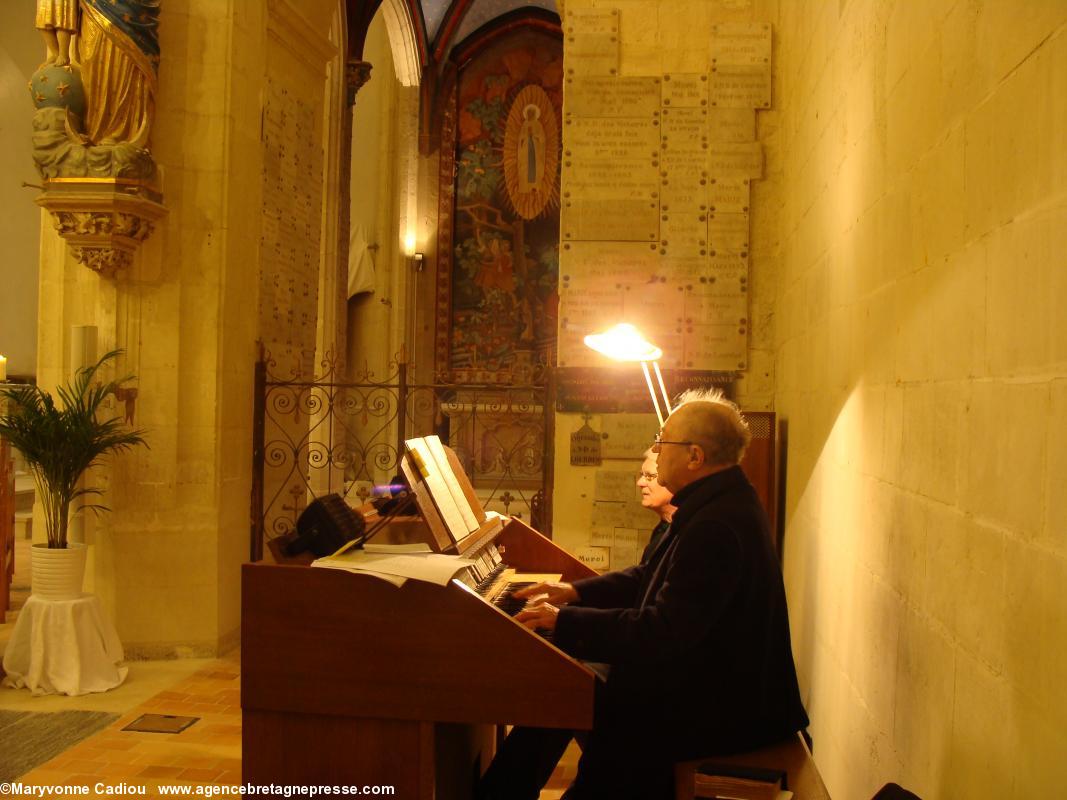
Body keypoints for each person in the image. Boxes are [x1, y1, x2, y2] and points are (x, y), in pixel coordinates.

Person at [477, 389, 809, 799]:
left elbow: (663, 632)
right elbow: (648, 576)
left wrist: (563, 622)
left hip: (725, 709)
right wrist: (572, 593)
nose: (654, 448)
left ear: (694, 457)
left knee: (576, 697)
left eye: (661, 440)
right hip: (710, 683)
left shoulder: (716, 526)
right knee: (566, 687)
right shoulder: (716, 504)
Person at [636, 447, 675, 563]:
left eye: (650, 476)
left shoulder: (689, 536)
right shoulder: (662, 529)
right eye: (642, 475)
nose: (640, 483)